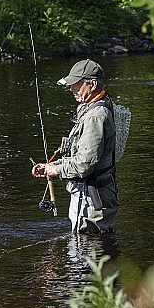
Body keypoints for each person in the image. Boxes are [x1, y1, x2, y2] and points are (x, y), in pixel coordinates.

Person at [31, 59, 119, 233]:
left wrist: (55, 170)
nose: (71, 89)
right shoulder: (93, 106)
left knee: (86, 249)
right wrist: (53, 165)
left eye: (76, 84)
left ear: (92, 84)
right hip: (96, 194)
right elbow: (82, 156)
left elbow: (84, 165)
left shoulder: (95, 116)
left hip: (92, 198)